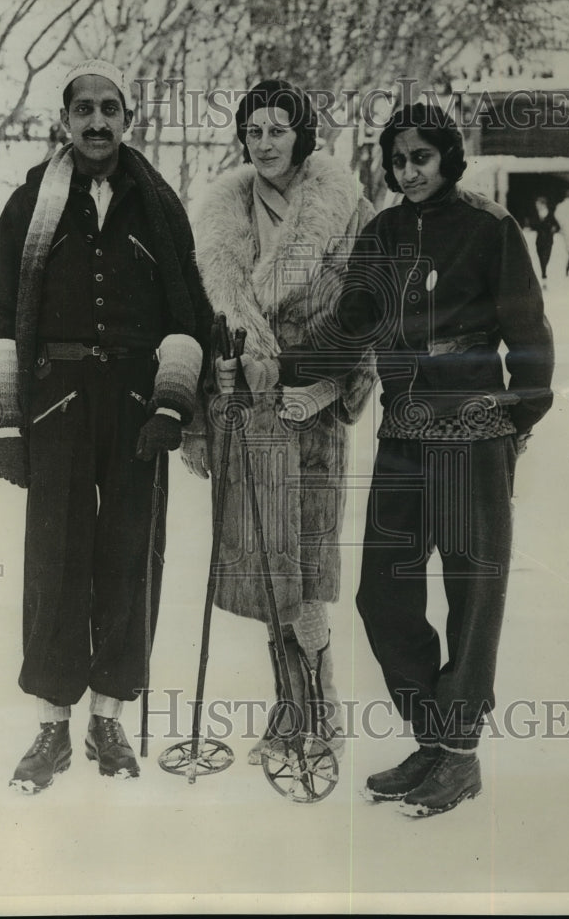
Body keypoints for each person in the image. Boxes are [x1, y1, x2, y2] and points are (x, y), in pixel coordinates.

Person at [278, 102, 555, 815]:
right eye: (398, 160)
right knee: (382, 592)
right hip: (403, 428)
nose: (409, 171)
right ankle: (432, 738)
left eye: (421, 158)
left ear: (447, 159)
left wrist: (520, 412)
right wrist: (281, 362)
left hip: (473, 427)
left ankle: (458, 756)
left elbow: (526, 325)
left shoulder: (490, 228)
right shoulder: (383, 232)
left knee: (471, 591)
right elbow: (352, 323)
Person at [0, 59, 210, 793]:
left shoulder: (159, 205)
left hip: (137, 408)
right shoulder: (30, 204)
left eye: (110, 108)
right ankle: (52, 726)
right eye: (84, 108)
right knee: (54, 561)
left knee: (129, 557)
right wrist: (8, 425)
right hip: (56, 406)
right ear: (64, 120)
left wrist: (172, 405)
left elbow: (187, 316)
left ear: (128, 119)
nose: (97, 121)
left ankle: (108, 716)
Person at [181, 79, 376, 762]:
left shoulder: (347, 211)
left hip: (309, 417)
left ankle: (322, 717)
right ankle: (287, 716)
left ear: (301, 134)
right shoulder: (219, 216)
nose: (263, 143)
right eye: (253, 130)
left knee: (306, 577)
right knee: (270, 573)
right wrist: (212, 396)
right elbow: (204, 324)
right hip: (249, 421)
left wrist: (329, 389)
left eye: (276, 129)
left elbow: (375, 311)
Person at [533, 195, 559, 290]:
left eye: (538, 204)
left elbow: (557, 225)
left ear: (543, 204)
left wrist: (554, 229)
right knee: (542, 260)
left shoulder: (550, 214)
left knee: (545, 259)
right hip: (539, 241)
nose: (536, 206)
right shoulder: (536, 215)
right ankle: (544, 276)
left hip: (548, 240)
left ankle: (544, 275)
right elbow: (533, 225)